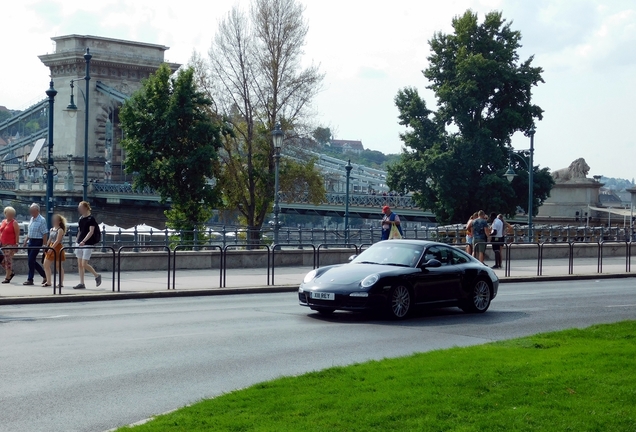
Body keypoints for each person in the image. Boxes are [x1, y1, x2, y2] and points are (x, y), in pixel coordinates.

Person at [74, 201, 102, 289]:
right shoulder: (81, 218)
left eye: (80, 207)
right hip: (79, 243)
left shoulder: (91, 219)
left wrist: (84, 241)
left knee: (84, 264)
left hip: (87, 243)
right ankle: (81, 283)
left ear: (85, 208)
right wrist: (77, 241)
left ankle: (97, 275)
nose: (79, 209)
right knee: (79, 264)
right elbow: (80, 231)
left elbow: (91, 231)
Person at [22, 203, 48, 285]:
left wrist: (44, 245)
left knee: (31, 260)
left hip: (38, 241)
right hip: (31, 241)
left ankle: (30, 279)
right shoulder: (32, 219)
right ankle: (44, 275)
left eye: (32, 210)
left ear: (37, 210)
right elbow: (30, 232)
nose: (31, 212)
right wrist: (26, 240)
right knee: (31, 261)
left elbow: (45, 233)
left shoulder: (41, 220)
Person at [43, 214, 67, 288]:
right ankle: (49, 281)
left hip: (57, 247)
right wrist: (46, 247)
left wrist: (51, 248)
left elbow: (58, 240)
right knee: (46, 264)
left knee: (58, 266)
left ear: (59, 222)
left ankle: (61, 282)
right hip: (51, 246)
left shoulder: (60, 230)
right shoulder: (52, 229)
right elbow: (49, 239)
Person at [0, 206, 20, 283]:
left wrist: (16, 244)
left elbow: (17, 234)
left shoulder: (14, 223)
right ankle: (10, 272)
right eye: (9, 213)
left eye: (12, 214)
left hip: (10, 244)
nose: (10, 215)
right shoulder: (3, 221)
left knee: (7, 260)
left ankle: (7, 277)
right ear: (5, 213)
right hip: (2, 244)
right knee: (2, 260)